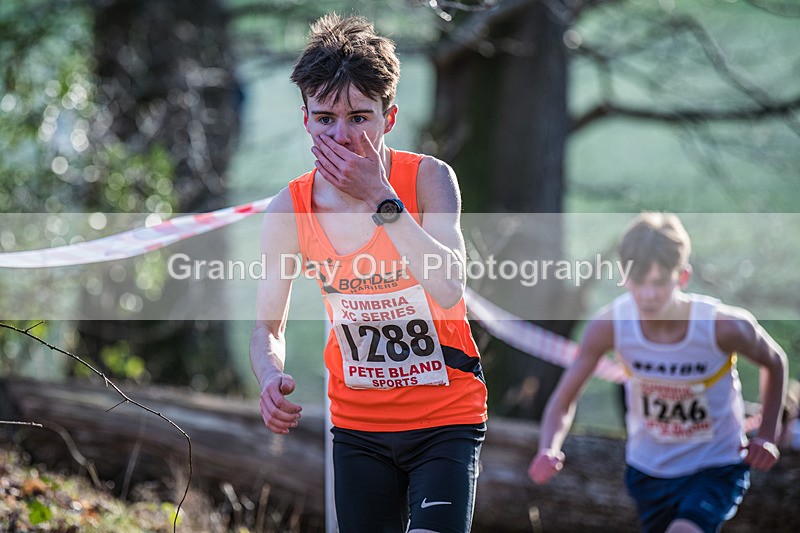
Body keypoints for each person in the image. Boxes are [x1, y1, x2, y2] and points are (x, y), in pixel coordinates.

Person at [249, 14, 488, 533]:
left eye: (360, 117)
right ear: (305, 119)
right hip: (359, 426)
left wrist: (382, 199)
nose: (343, 134)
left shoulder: (428, 180)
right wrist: (269, 375)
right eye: (325, 118)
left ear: (389, 117)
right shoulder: (289, 210)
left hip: (445, 416)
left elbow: (449, 287)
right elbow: (268, 327)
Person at [528, 212, 787, 533]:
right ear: (624, 276)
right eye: (638, 282)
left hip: (715, 465)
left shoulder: (723, 326)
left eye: (660, 283)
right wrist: (549, 447)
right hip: (648, 471)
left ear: (683, 277)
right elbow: (564, 399)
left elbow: (775, 361)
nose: (648, 295)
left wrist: (767, 436)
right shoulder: (609, 325)